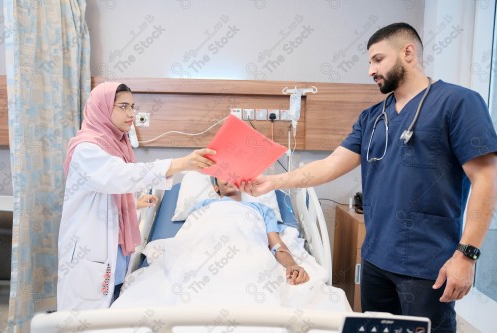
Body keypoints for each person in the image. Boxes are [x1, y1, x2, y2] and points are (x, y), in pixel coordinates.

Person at [242, 22, 497, 332]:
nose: (369, 70)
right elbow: (331, 165)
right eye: (369, 62)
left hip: (427, 264)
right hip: (377, 260)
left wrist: (467, 255)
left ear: (407, 52)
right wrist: (273, 181)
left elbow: (486, 180)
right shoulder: (372, 117)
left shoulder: (459, 103)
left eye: (377, 59)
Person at [57, 82, 216, 311]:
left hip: (114, 251)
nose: (132, 113)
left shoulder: (116, 145)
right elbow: (118, 176)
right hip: (90, 252)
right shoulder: (86, 149)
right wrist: (181, 163)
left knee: (109, 315)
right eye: (123, 106)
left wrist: (132, 203)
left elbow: (107, 191)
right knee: (83, 320)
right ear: (102, 108)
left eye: (133, 106)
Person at [190, 176, 310, 285]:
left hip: (249, 257)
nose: (230, 176)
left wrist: (292, 265)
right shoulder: (203, 206)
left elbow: (276, 246)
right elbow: (191, 236)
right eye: (223, 175)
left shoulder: (262, 209)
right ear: (216, 187)